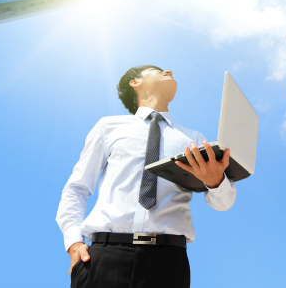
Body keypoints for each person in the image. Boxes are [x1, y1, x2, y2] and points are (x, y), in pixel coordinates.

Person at [56, 65, 236, 288]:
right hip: (104, 257)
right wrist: (73, 241)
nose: (169, 71)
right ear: (135, 82)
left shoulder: (194, 138)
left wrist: (215, 182)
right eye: (158, 69)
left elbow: (224, 203)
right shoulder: (109, 126)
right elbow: (77, 188)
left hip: (168, 264)